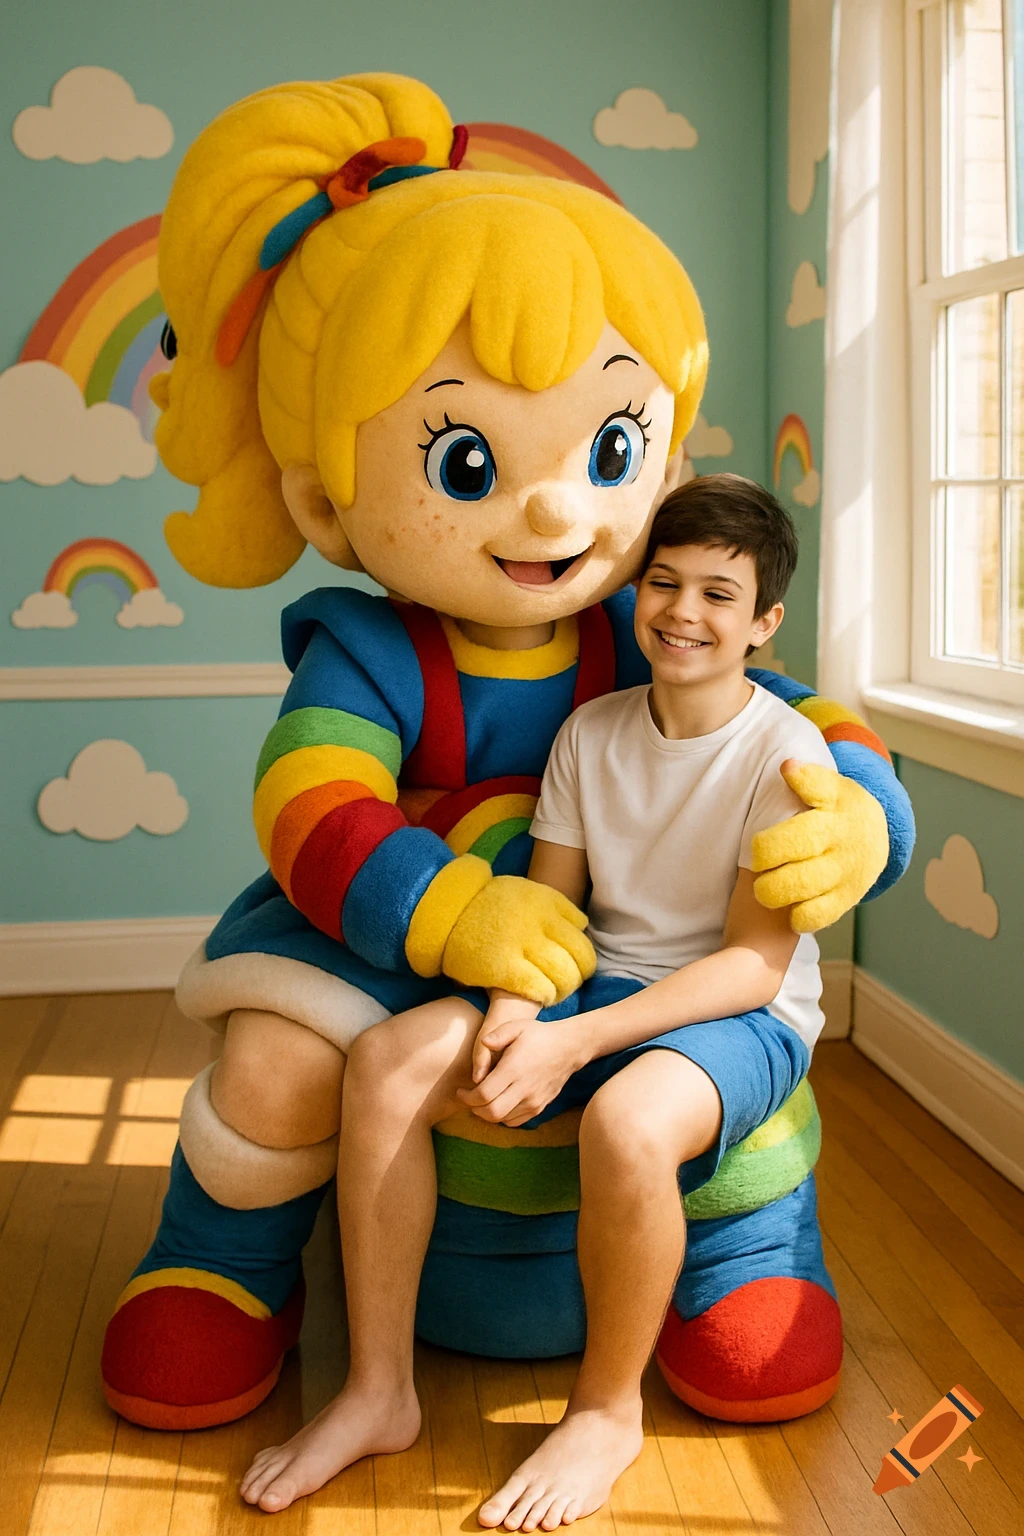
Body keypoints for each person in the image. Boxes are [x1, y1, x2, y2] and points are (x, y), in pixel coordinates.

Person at [100, 72, 913, 1443]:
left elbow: (785, 711)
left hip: (601, 952)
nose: (556, 507)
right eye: (467, 460)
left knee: (677, 1092)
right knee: (280, 1068)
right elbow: (312, 799)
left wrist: (868, 814)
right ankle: (226, 1267)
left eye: (607, 449)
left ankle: (735, 1266)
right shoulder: (368, 650)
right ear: (319, 490)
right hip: (388, 922)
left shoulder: (642, 614)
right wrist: (452, 906)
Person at [238, 472, 842, 1527]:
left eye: (716, 594)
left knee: (627, 1116)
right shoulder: (592, 733)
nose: (682, 614)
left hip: (737, 1015)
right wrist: (517, 1019)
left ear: (762, 622)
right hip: (597, 980)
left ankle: (606, 1414)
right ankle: (378, 1391)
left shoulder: (783, 754)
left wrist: (578, 1046)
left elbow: (751, 967)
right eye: (663, 583)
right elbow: (547, 913)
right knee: (387, 1060)